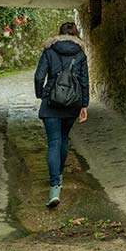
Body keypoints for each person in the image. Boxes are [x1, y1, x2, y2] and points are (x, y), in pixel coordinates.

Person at [34, 21, 89, 208]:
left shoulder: (49, 51)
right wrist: (84, 105)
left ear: (59, 34)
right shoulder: (80, 54)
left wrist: (41, 94)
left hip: (52, 102)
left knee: (54, 142)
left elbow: (39, 76)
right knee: (64, 138)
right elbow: (84, 81)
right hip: (72, 103)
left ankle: (54, 186)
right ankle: (60, 174)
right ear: (75, 34)